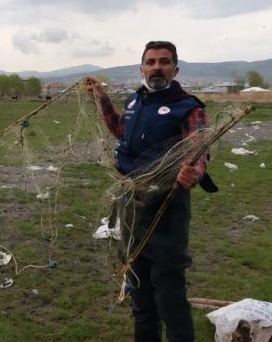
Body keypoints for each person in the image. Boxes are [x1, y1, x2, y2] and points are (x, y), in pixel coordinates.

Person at [85, 41, 216, 342]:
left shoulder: (189, 107)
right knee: (139, 291)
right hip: (133, 206)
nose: (157, 67)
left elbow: (199, 149)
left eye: (164, 62)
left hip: (167, 207)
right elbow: (120, 129)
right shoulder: (135, 102)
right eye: (151, 62)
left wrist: (192, 172)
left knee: (169, 293)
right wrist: (102, 98)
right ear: (142, 68)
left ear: (175, 68)